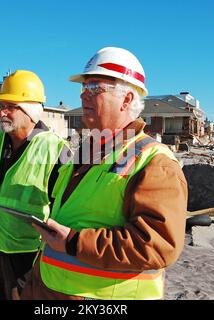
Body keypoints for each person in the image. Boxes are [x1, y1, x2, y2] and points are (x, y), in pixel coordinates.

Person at [21, 47, 188, 300]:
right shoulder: (84, 154)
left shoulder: (154, 162)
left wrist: (76, 243)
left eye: (95, 88)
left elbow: (157, 245)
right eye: (83, 88)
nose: (83, 96)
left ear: (127, 100)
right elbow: (66, 221)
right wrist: (30, 285)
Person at [0, 70, 67, 300]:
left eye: (10, 106)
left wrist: (48, 258)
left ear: (30, 110)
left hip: (23, 256)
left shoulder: (56, 150)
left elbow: (62, 213)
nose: (2, 112)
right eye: (0, 105)